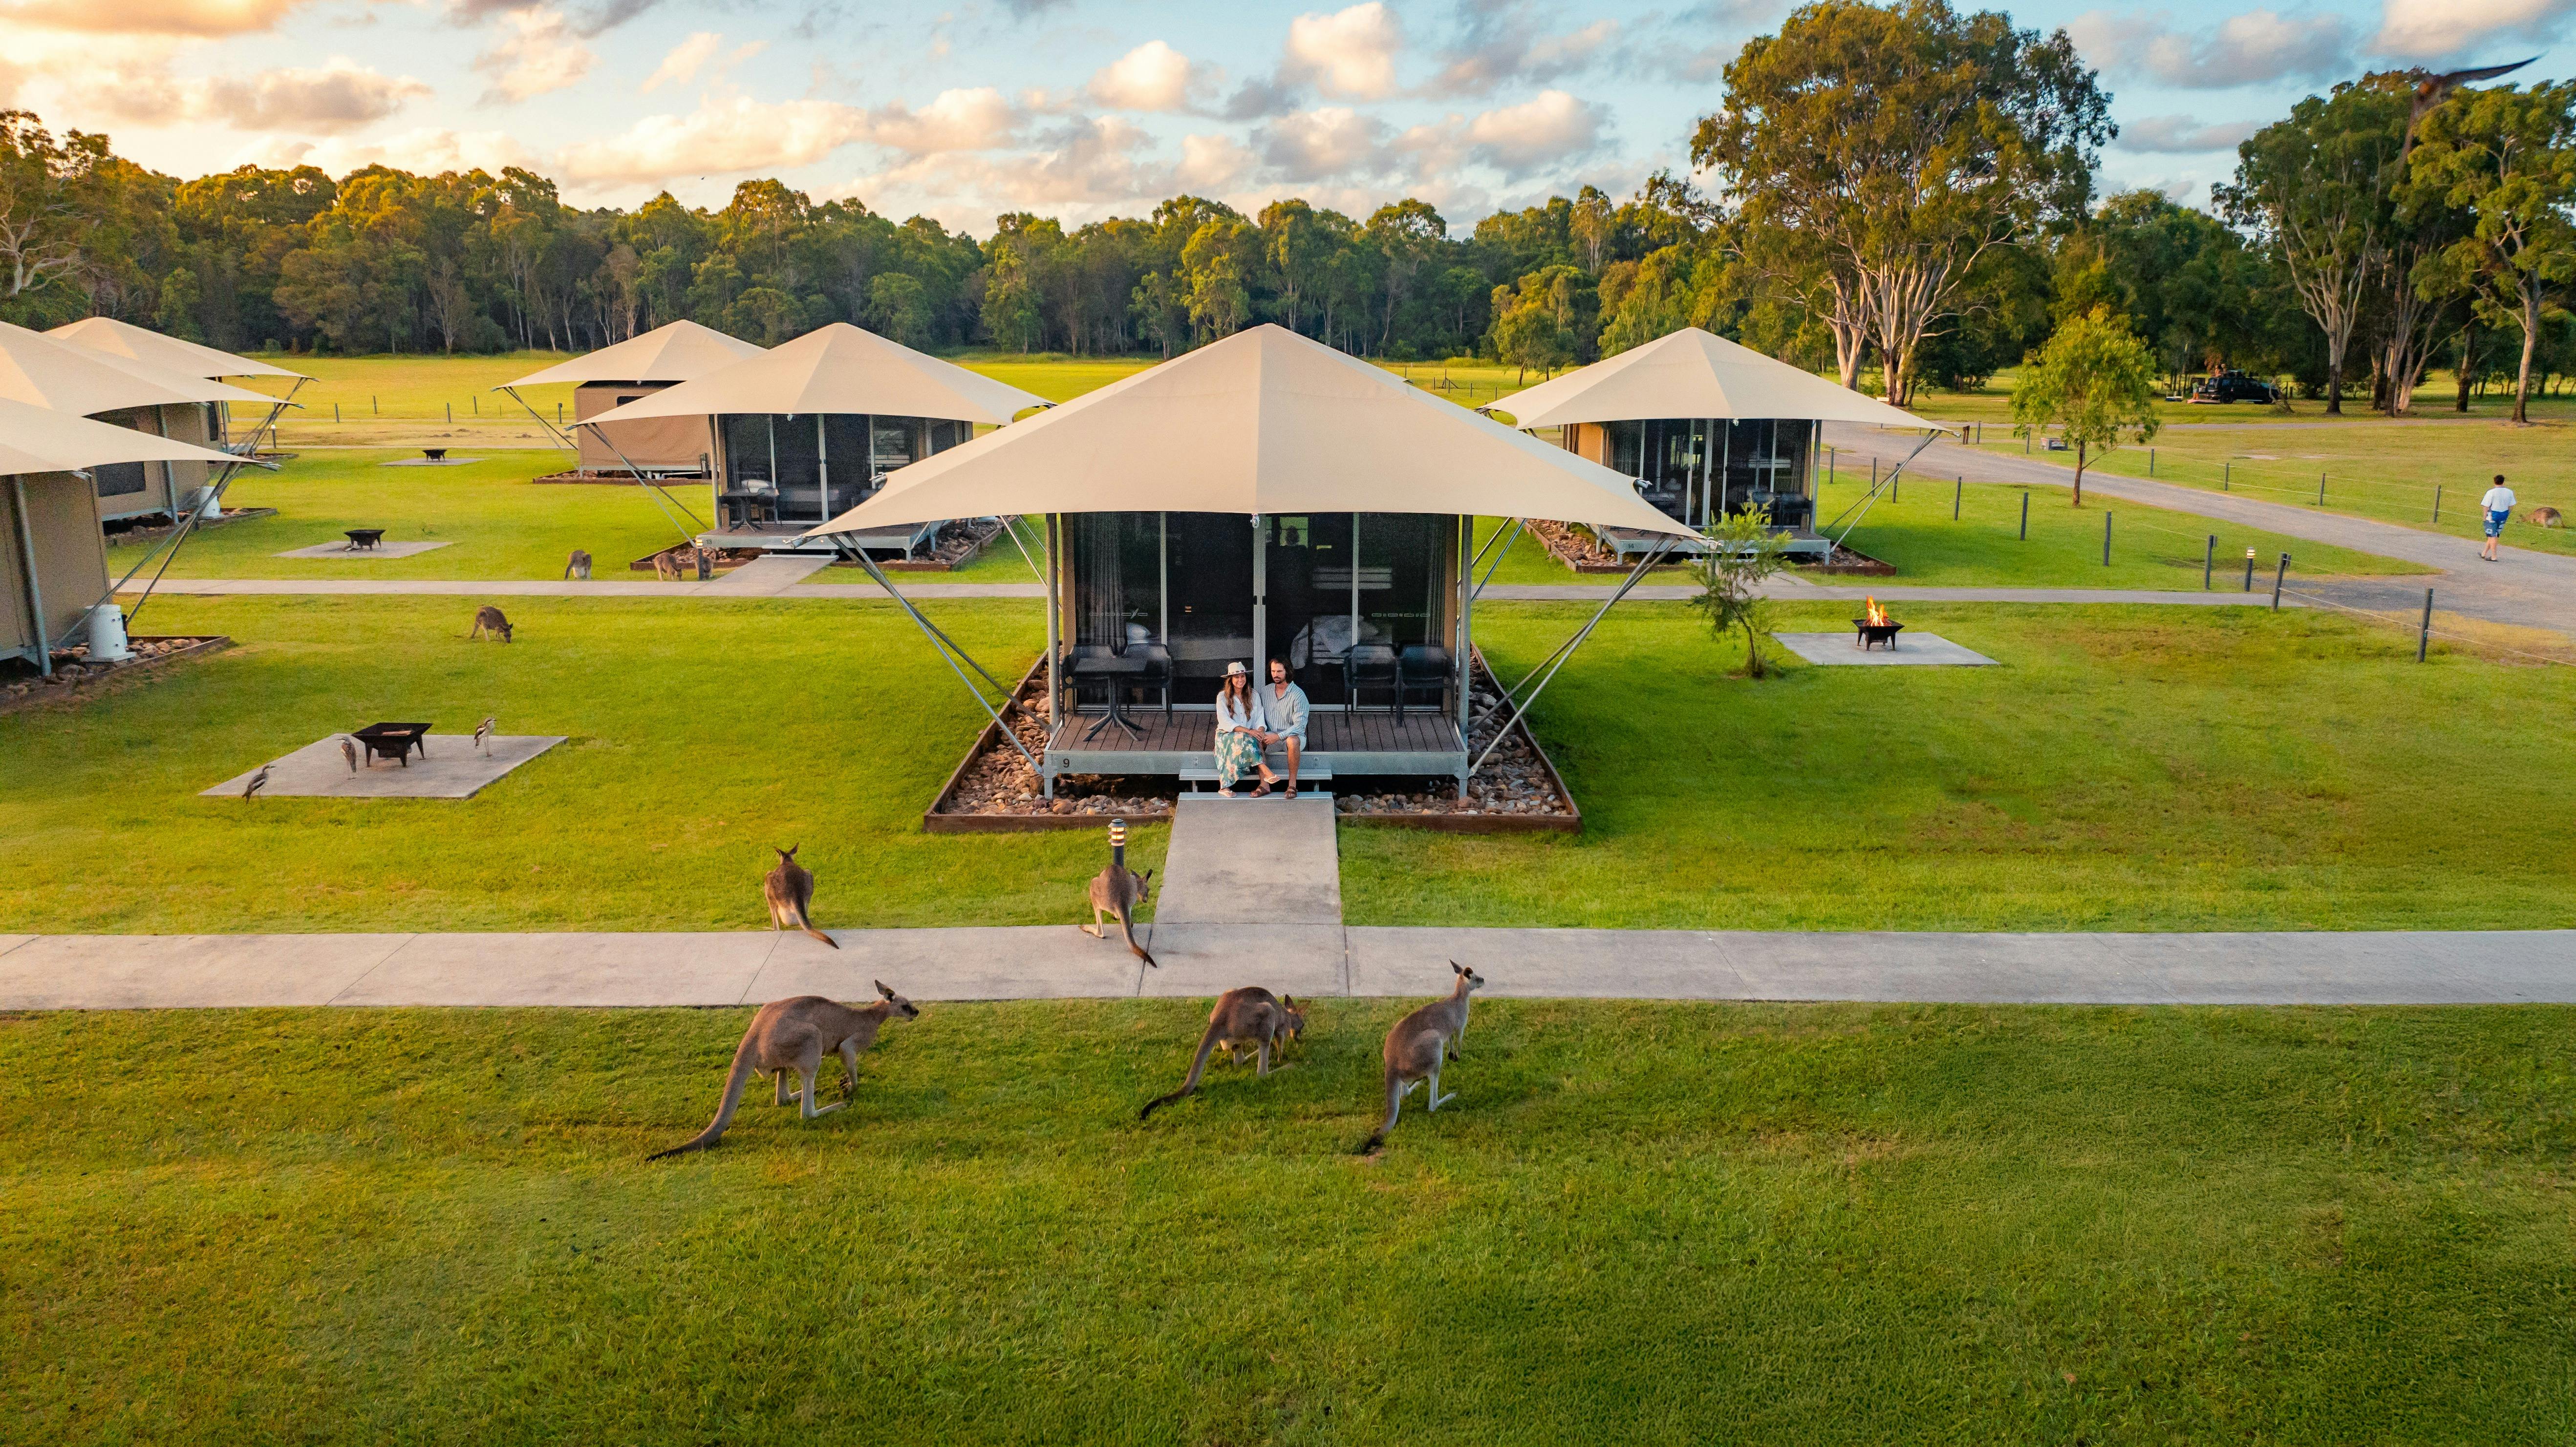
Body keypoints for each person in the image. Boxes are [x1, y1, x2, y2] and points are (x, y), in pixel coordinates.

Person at [1212, 661, 1273, 798]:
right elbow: (1225, 722)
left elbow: (1259, 717)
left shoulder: (1254, 695)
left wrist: (1261, 731)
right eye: (1237, 677)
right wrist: (1249, 731)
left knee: (1256, 739)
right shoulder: (1223, 697)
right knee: (1246, 737)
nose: (1241, 680)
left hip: (1249, 737)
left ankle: (1264, 785)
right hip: (1227, 735)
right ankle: (1265, 770)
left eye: (1243, 676)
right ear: (1230, 680)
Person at [1255, 657, 1310, 798]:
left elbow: (1300, 726)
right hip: (1271, 735)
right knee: (1257, 739)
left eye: (1280, 671)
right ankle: (1265, 785)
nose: (1276, 675)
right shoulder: (1265, 691)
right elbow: (1256, 714)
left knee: (1292, 741)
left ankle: (1292, 785)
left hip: (1293, 737)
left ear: (1288, 671)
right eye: (1273, 671)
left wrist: (1278, 736)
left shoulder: (1298, 695)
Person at [2481, 474, 2515, 562]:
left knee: (2493, 536)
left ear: (2494, 482)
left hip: (2493, 515)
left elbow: (2486, 506)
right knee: (2494, 535)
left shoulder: (2491, 492)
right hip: (2503, 514)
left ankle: (2494, 556)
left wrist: (2484, 517)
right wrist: (2507, 514)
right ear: (2503, 482)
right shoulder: (2509, 492)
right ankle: (2484, 553)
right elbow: (2511, 505)